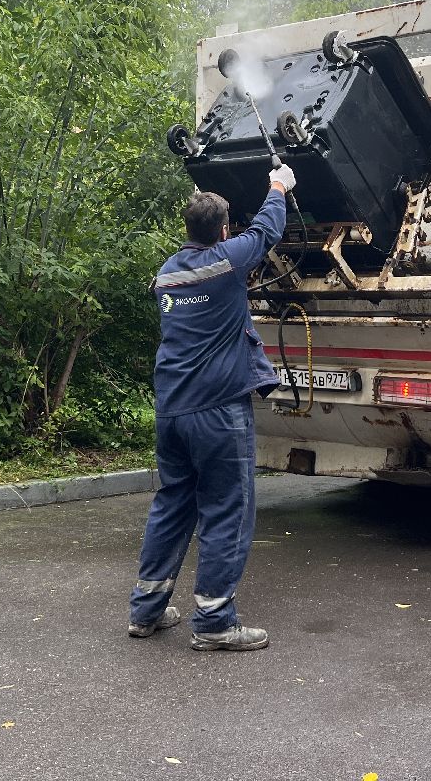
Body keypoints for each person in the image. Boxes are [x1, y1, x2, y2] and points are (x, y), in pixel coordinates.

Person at [128, 164, 296, 651]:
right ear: (224, 231)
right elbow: (266, 231)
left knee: (173, 505)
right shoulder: (226, 263)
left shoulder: (165, 276)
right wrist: (279, 185)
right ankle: (215, 622)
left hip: (172, 412)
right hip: (218, 412)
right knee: (227, 510)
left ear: (187, 231)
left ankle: (145, 610)